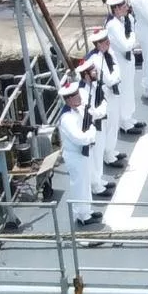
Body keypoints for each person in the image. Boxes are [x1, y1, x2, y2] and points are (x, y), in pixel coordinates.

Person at [55, 80, 101, 228]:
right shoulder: (67, 119)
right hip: (75, 155)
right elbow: (80, 138)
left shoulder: (77, 109)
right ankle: (82, 216)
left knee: (85, 182)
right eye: (76, 96)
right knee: (79, 185)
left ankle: (87, 210)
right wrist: (92, 132)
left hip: (82, 153)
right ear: (68, 99)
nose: (79, 97)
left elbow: (88, 118)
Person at [82, 27, 130, 166]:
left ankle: (111, 150)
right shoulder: (96, 59)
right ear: (97, 44)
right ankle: (107, 155)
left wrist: (116, 74)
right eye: (103, 41)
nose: (107, 42)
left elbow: (115, 71)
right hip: (104, 94)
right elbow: (110, 79)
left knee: (114, 122)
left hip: (112, 92)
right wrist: (116, 74)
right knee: (108, 125)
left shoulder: (108, 53)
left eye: (107, 39)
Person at [102, 1, 143, 137]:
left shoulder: (121, 20)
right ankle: (124, 123)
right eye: (124, 7)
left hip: (127, 61)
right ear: (116, 9)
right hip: (120, 63)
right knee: (123, 91)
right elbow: (126, 45)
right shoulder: (113, 25)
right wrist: (132, 35)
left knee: (129, 89)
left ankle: (129, 117)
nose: (127, 8)